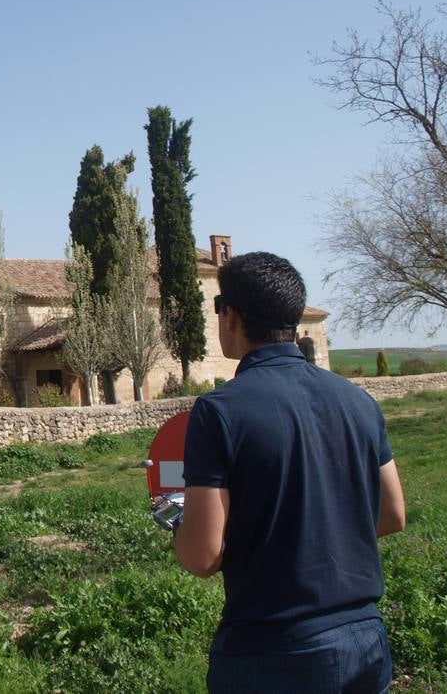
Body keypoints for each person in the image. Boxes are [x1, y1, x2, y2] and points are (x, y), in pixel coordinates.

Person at [174, 252, 406, 694]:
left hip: (273, 649)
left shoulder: (218, 412)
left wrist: (175, 523)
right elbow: (392, 514)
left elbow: (201, 557)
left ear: (231, 315)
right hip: (365, 639)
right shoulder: (358, 402)